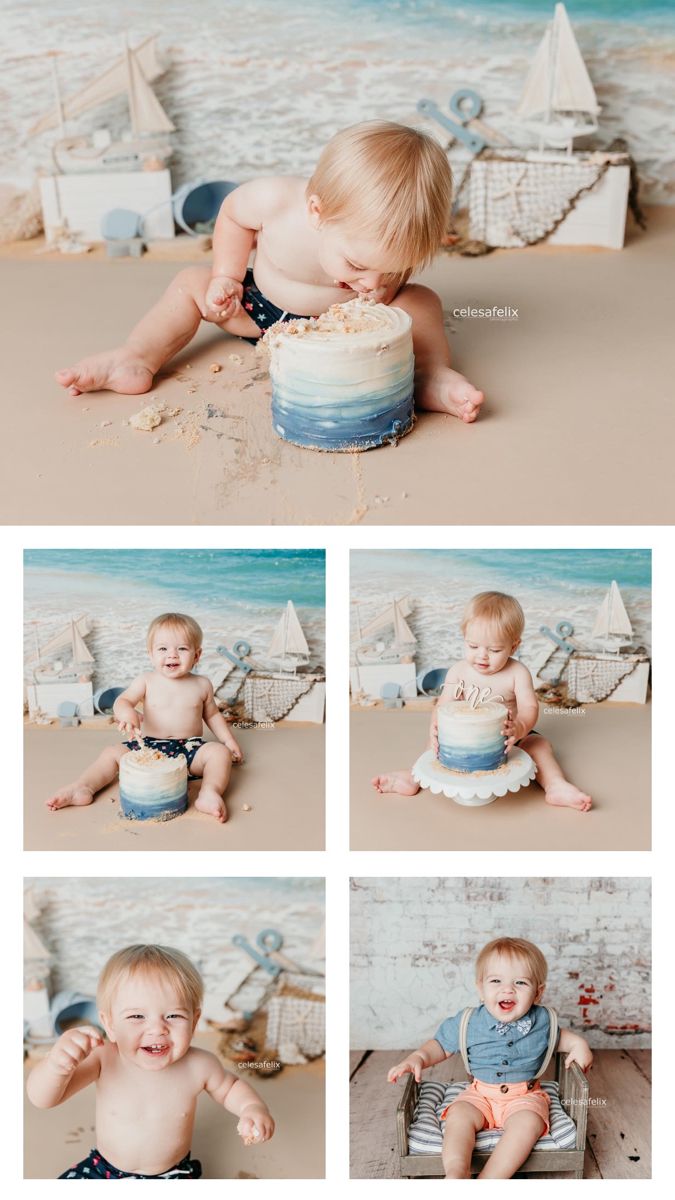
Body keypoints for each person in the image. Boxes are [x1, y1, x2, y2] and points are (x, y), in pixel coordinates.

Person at [56, 121, 484, 424]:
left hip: (349, 332)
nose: (373, 282)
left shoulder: (376, 262)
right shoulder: (275, 201)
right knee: (191, 283)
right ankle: (136, 357)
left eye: (391, 269)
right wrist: (225, 275)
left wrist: (392, 289)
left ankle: (429, 373)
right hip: (260, 313)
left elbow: (385, 283)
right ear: (318, 213)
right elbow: (232, 216)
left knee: (422, 300)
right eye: (357, 264)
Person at [27, 944, 275, 1179]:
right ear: (110, 1024)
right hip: (104, 1171)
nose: (157, 1029)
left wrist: (251, 1108)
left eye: (173, 1015)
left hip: (171, 1175)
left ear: (194, 1021)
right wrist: (56, 1065)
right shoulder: (104, 1058)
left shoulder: (199, 1065)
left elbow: (230, 1088)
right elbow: (44, 1099)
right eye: (137, 1016)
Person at [387, 937, 592, 1179]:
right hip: (479, 1094)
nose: (508, 989)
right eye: (496, 981)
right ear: (481, 988)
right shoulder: (468, 1021)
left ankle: (489, 1179)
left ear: (538, 993)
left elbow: (561, 1040)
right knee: (458, 1116)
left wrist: (579, 1044)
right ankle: (456, 1172)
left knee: (527, 1124)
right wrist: (418, 1057)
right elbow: (440, 1046)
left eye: (520, 982)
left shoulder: (543, 1021)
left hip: (523, 1096)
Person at [372, 590, 592, 811]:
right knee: (434, 743)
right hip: (464, 739)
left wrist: (520, 727)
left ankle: (556, 785)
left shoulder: (517, 672)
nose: (482, 655)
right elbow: (442, 706)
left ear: (513, 646)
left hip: (509, 737)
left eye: (494, 649)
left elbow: (529, 707)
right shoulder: (458, 672)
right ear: (464, 638)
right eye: (473, 646)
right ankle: (413, 778)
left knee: (539, 745)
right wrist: (434, 726)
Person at [46, 612, 243, 822]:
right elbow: (122, 701)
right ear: (150, 654)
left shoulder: (202, 684)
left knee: (219, 754)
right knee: (112, 753)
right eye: (163, 648)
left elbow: (212, 715)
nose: (172, 655)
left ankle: (209, 793)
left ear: (197, 655)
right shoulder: (146, 680)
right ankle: (83, 787)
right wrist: (128, 713)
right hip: (147, 750)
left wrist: (228, 741)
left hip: (189, 752)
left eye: (182, 648)